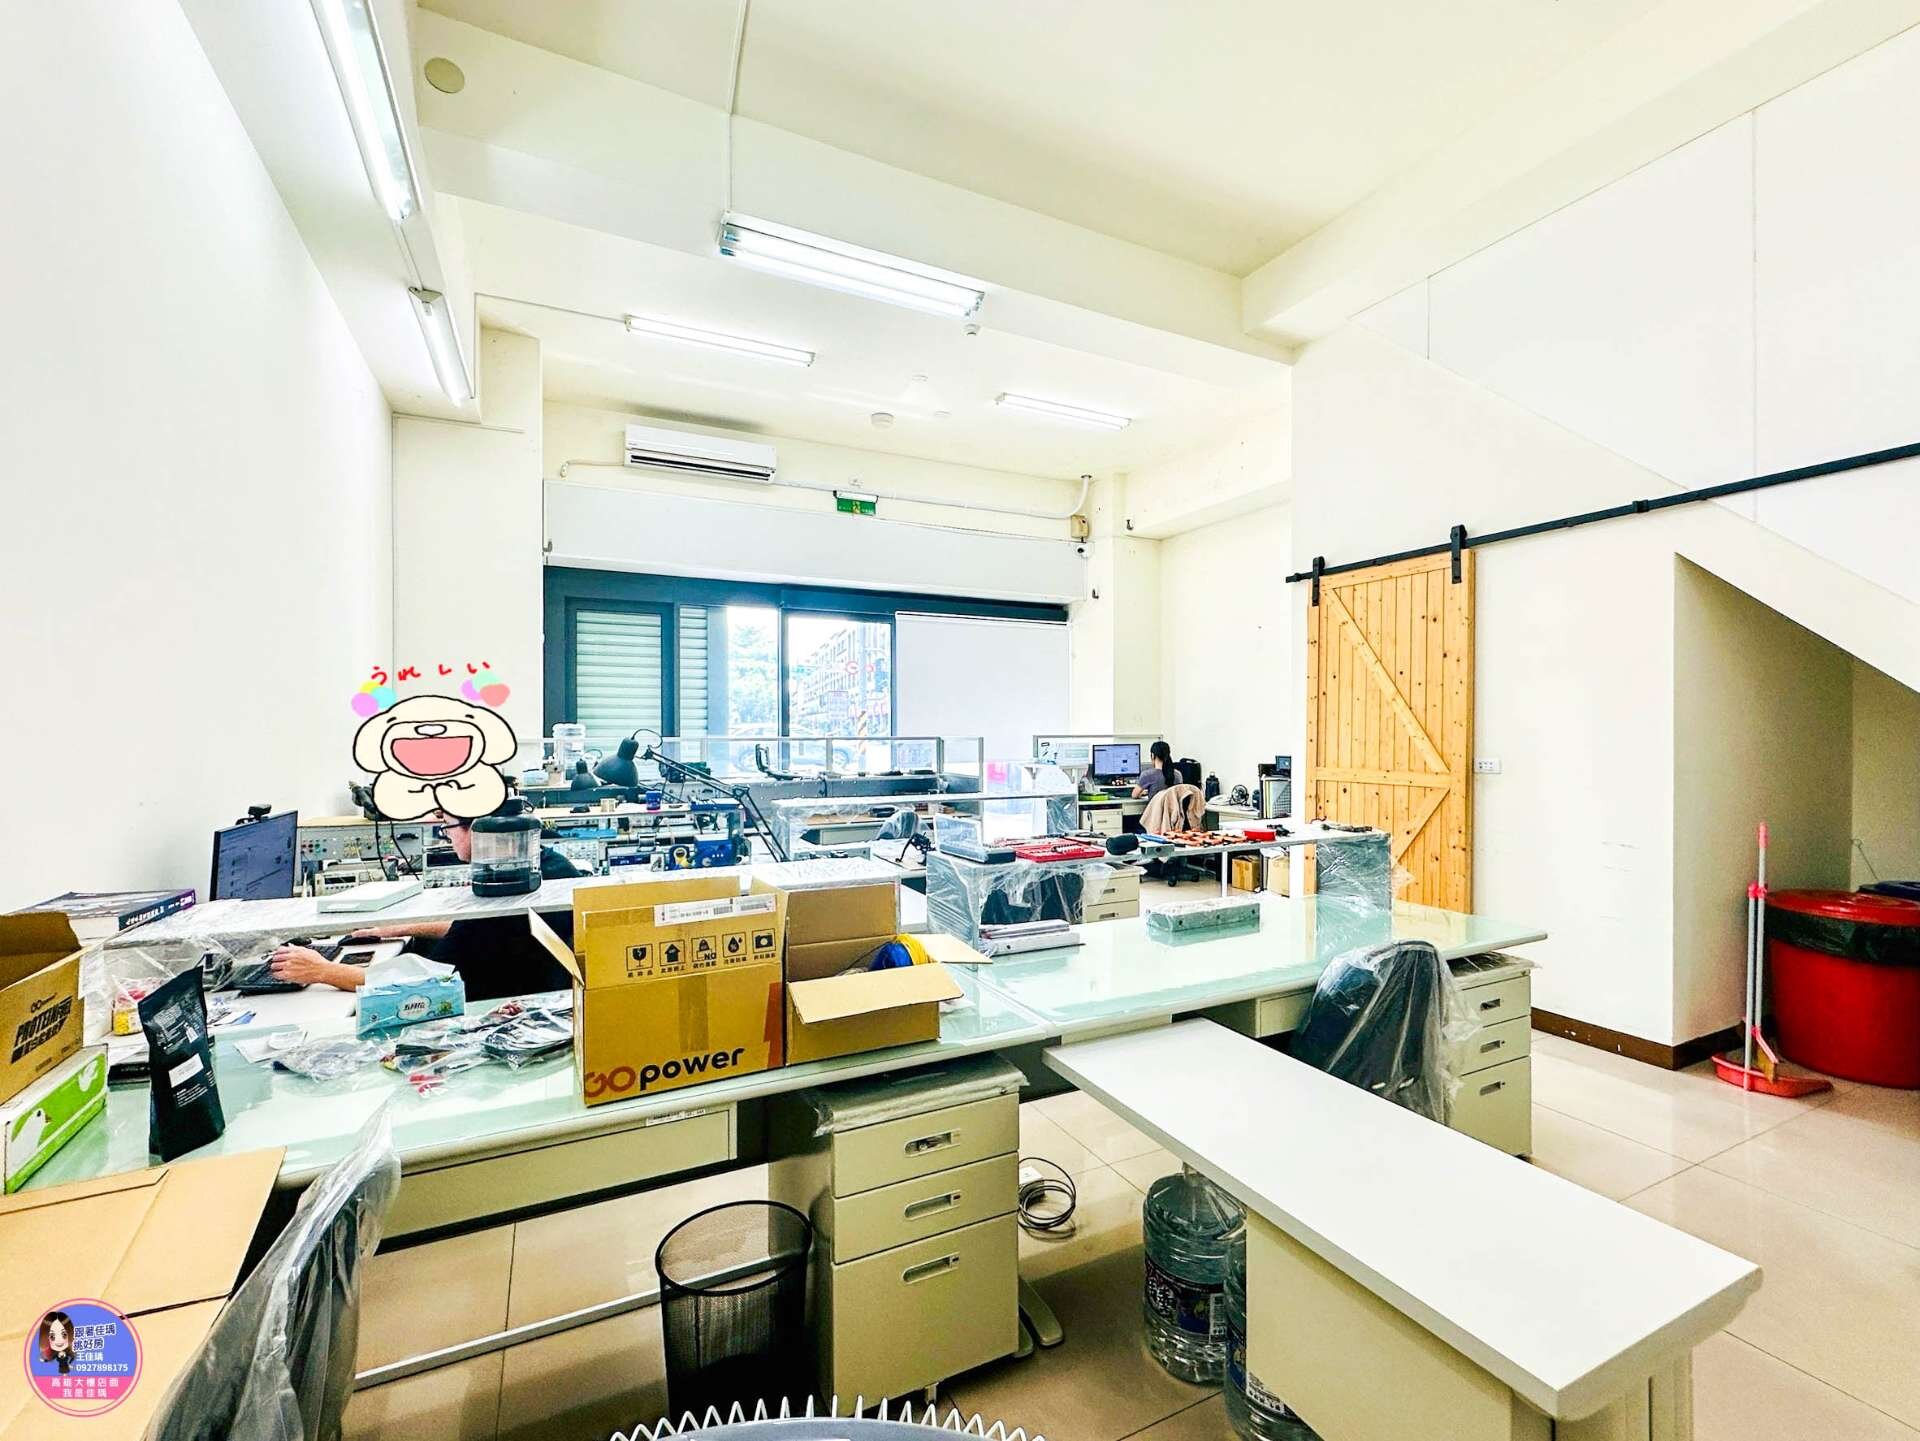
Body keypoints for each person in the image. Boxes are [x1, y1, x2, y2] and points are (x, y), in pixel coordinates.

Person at [269, 809, 582, 1001]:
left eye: (447, 827)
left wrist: (322, 970)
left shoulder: (501, 889)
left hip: (486, 1010)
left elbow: (424, 986)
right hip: (526, 993)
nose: (446, 837)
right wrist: (397, 928)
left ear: (476, 828)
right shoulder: (546, 868)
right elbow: (481, 933)